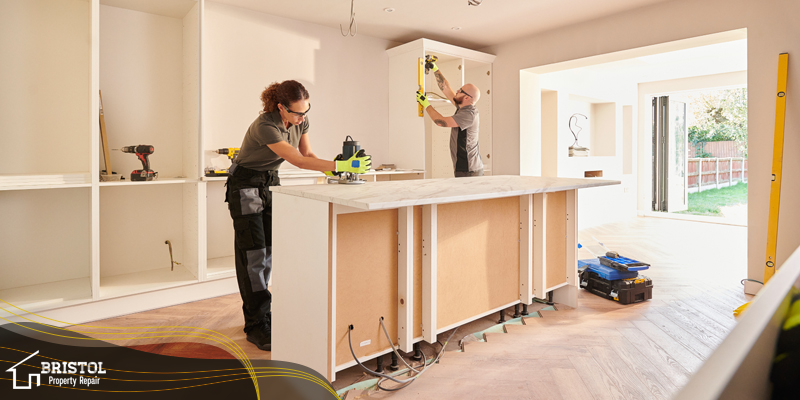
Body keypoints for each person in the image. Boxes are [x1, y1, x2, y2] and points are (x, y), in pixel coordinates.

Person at [226, 80, 371, 351]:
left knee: (268, 251)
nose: (302, 117)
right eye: (297, 112)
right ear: (281, 107)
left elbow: (309, 154)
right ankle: (255, 325)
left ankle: (264, 314)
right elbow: (298, 160)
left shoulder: (301, 122)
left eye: (306, 111)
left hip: (270, 182)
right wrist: (341, 164)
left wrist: (335, 170)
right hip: (245, 185)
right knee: (252, 254)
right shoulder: (265, 126)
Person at [415, 60, 484, 177]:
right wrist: (435, 68)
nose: (457, 91)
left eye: (461, 91)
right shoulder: (462, 106)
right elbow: (446, 88)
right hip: (465, 167)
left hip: (469, 169)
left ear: (467, 97)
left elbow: (441, 122)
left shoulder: (468, 114)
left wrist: (426, 104)